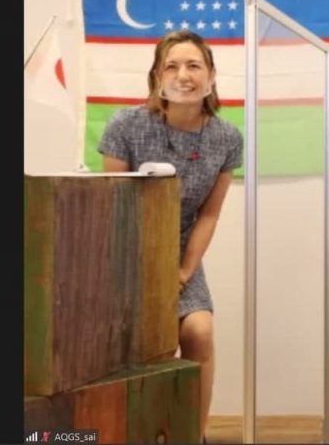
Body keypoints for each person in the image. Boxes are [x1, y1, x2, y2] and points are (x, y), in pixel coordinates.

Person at [98, 29, 243, 444]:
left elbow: (209, 214)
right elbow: (109, 206)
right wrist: (140, 270)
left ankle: (193, 433)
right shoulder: (125, 125)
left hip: (181, 252)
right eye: (172, 66)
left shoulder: (227, 138)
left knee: (199, 331)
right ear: (157, 77)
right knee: (145, 344)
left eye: (194, 65)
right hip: (123, 250)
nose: (183, 75)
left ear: (211, 76)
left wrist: (182, 271)